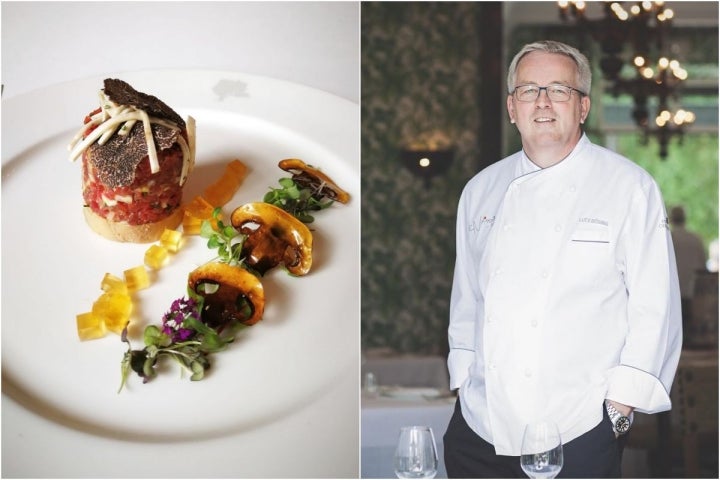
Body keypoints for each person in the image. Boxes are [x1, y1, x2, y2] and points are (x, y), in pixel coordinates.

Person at [444, 40, 682, 478]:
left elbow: (655, 309)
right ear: (512, 107)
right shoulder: (480, 188)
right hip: (480, 425)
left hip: (580, 428)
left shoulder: (630, 187)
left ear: (583, 106)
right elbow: (468, 300)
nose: (543, 102)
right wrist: (462, 381)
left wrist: (618, 412)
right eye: (529, 90)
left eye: (559, 89)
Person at [669, 205, 707, 334]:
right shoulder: (695, 239)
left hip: (673, 290)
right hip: (692, 290)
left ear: (672, 219)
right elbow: (703, 266)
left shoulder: (669, 239)